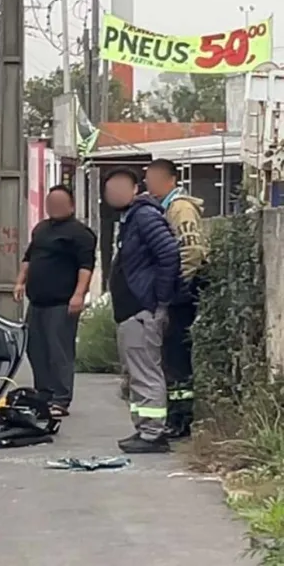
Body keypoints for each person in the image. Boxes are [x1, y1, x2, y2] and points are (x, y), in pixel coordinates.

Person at [104, 166, 181, 453]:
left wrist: (157, 299)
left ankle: (152, 434)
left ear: (137, 188)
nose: (115, 193)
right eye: (110, 188)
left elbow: (169, 254)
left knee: (146, 371)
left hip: (142, 310)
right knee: (137, 372)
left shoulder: (145, 216)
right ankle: (144, 429)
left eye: (122, 186)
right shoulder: (130, 218)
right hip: (131, 311)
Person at [13, 185, 96, 417]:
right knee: (35, 349)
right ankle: (44, 393)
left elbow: (86, 267)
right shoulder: (41, 229)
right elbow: (29, 258)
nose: (55, 207)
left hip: (62, 302)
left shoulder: (80, 233)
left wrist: (79, 294)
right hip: (37, 301)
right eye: (51, 203)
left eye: (60, 202)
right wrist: (20, 281)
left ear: (71, 205)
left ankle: (61, 398)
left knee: (59, 351)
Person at [143, 158, 208, 438]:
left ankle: (181, 418)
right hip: (177, 290)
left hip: (183, 292)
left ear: (168, 180)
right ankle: (177, 414)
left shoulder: (179, 209)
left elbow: (191, 251)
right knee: (170, 355)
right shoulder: (165, 207)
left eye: (151, 178)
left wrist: (176, 285)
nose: (147, 184)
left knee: (176, 355)